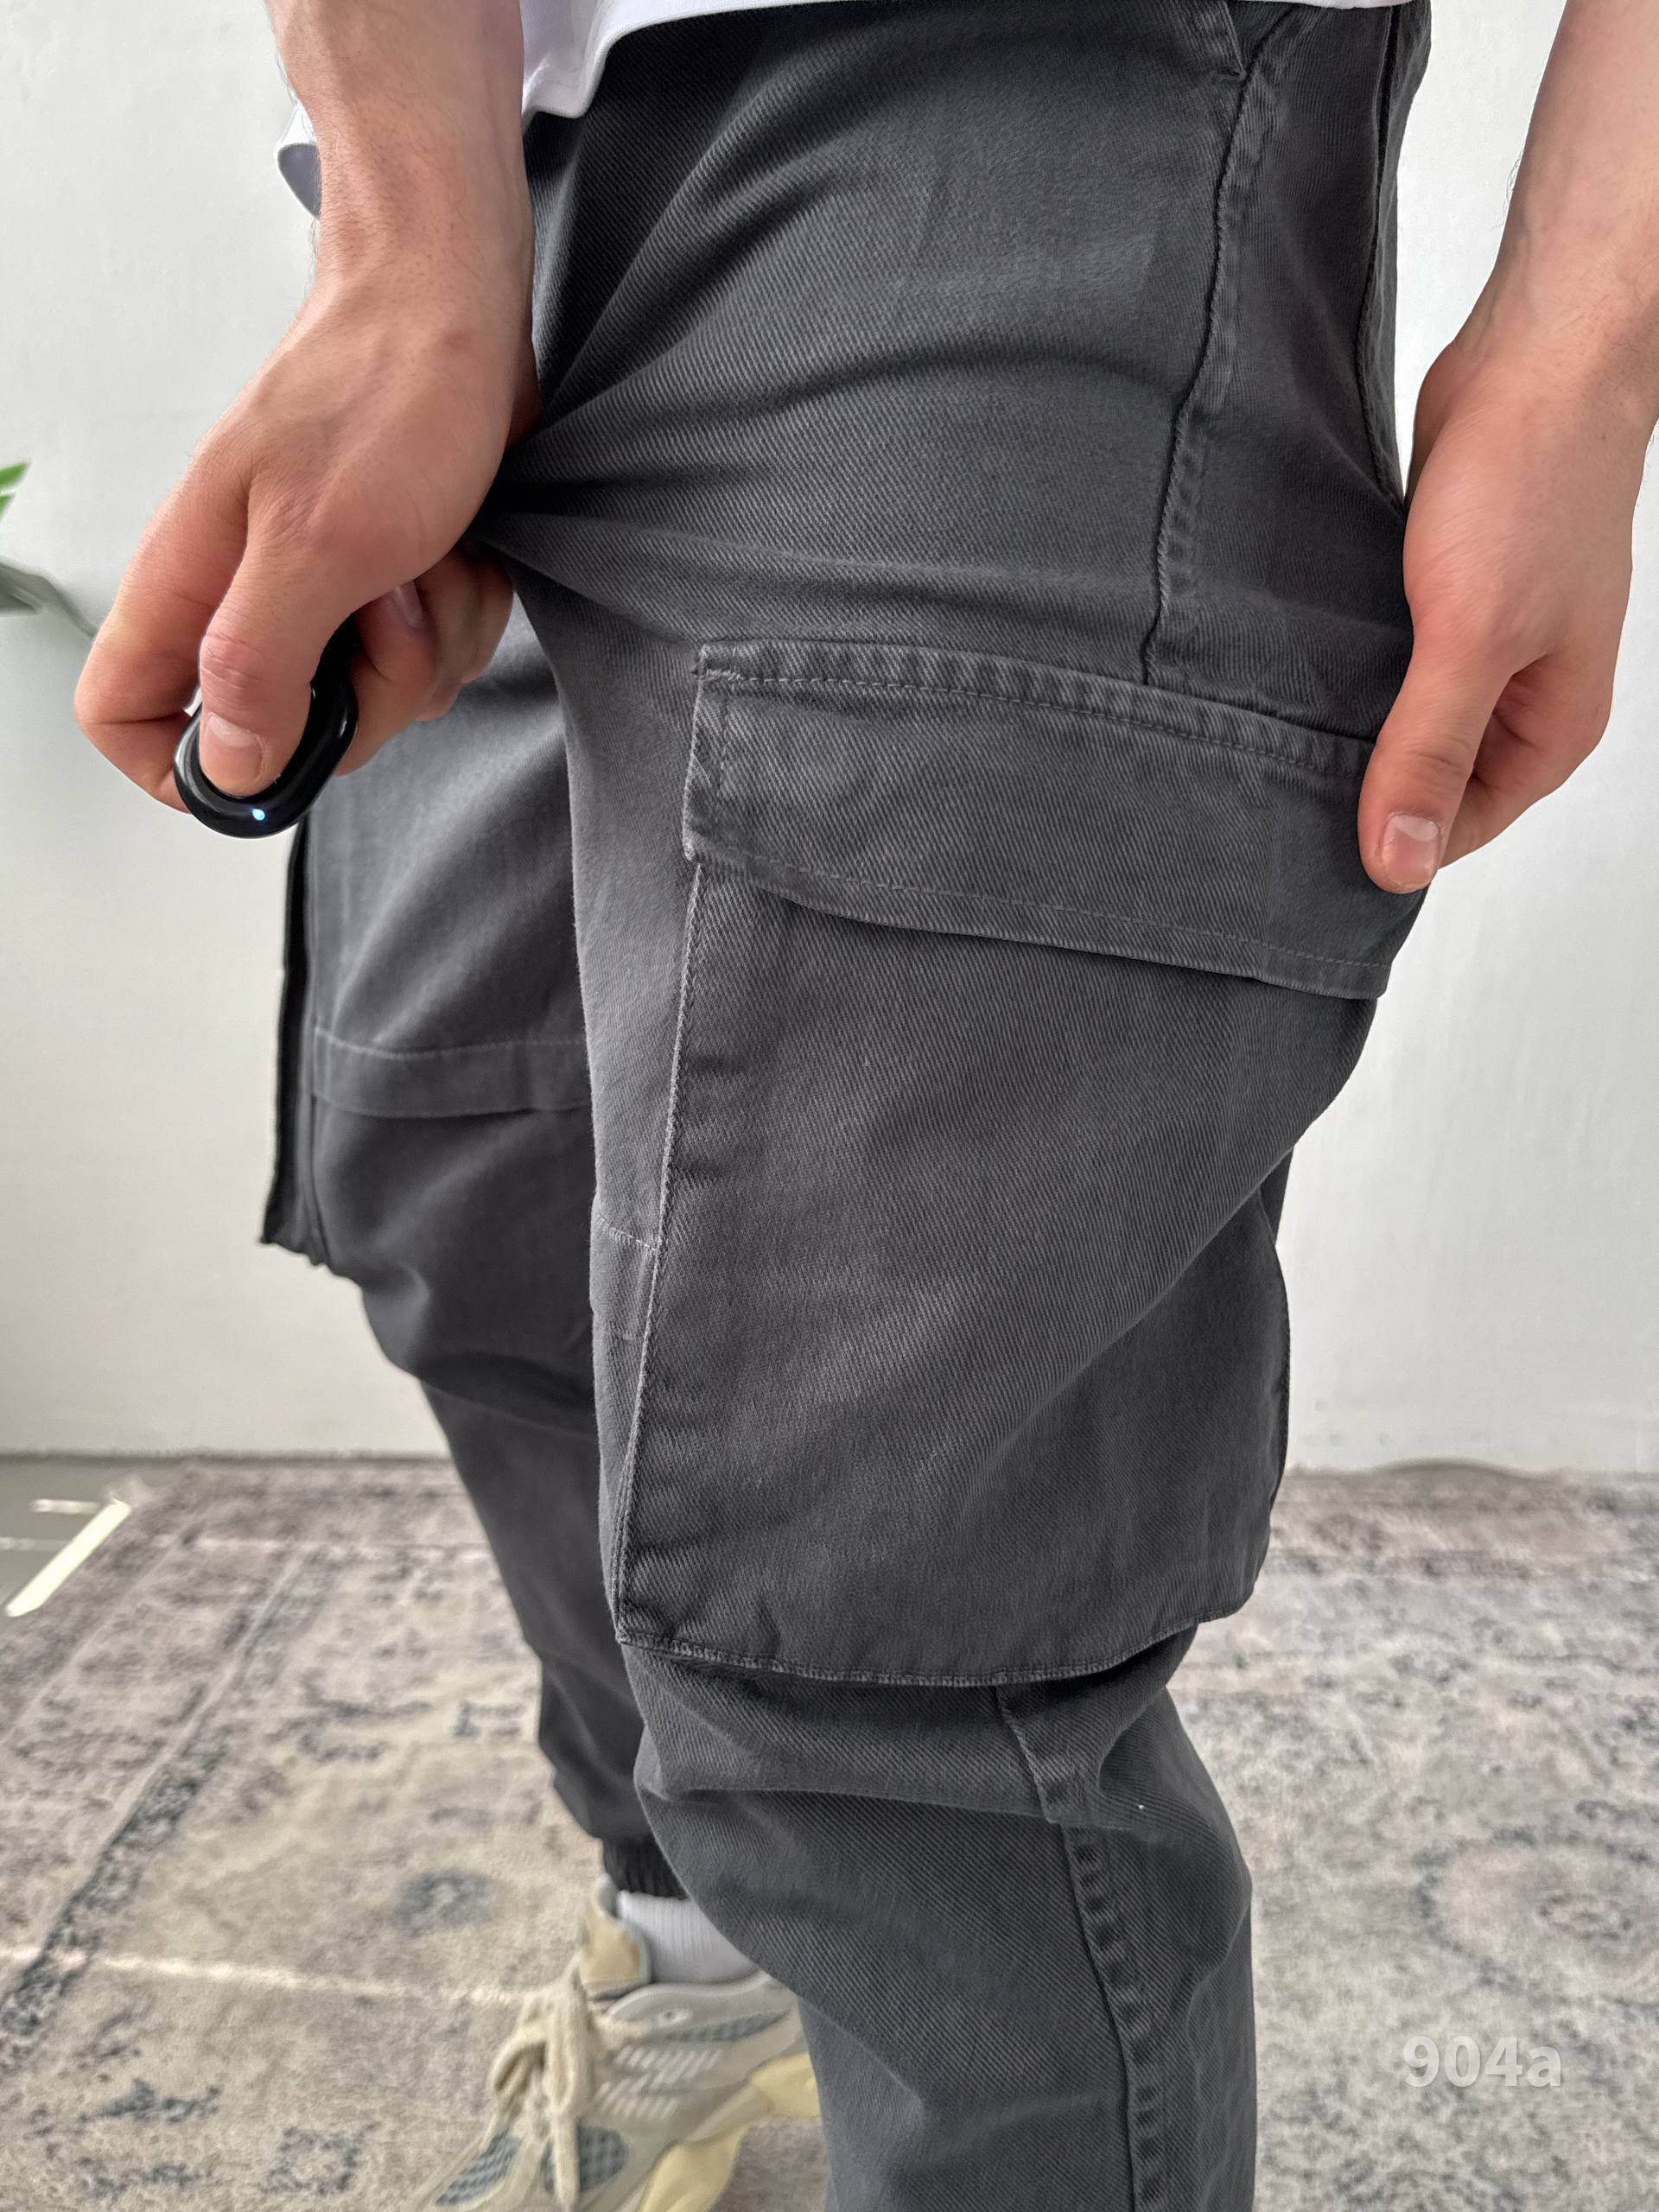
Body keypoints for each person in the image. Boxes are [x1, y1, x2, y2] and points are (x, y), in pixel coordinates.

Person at [75, 1, 1656, 2206]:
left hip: (1028, 118)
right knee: (485, 1201)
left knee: (876, 1577)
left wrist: (1587, 328)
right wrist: (406, 239)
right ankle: (721, 1992)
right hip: (481, 149)